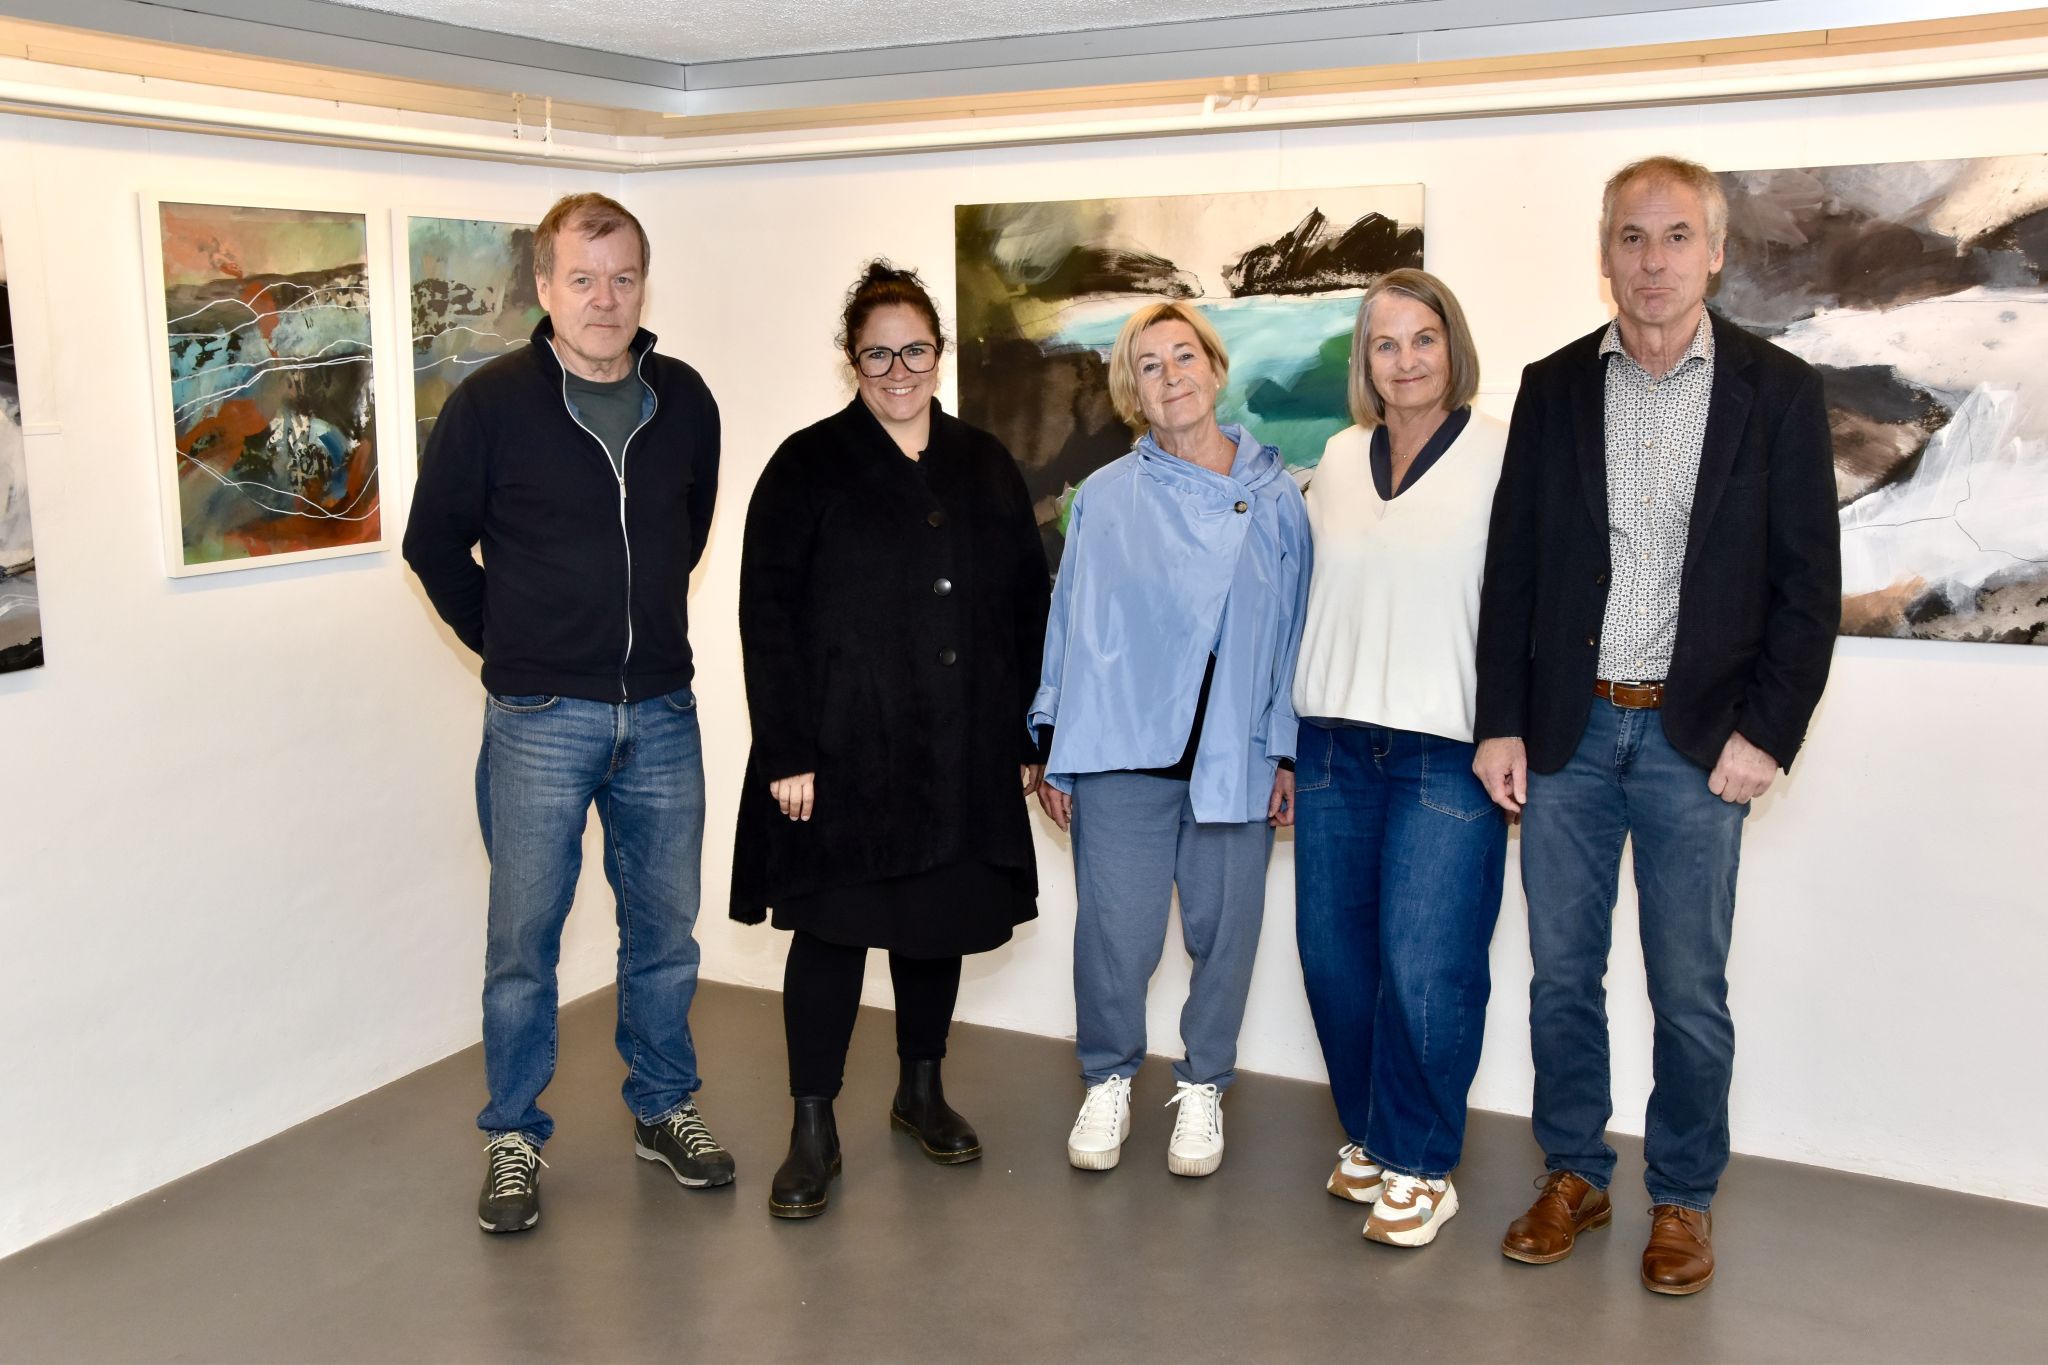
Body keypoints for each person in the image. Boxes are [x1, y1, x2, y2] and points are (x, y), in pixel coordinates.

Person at [1472, 156, 1840, 1294]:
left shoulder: (1775, 393)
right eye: (1632, 239)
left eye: (1676, 237)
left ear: (1714, 253)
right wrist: (1498, 722)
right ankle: (1573, 1173)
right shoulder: (1549, 390)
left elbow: (1805, 589)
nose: (1652, 261)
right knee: (1559, 978)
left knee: (1688, 989)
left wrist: (1765, 736)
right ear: (1604, 254)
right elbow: (1514, 577)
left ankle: (1680, 1199)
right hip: (1568, 738)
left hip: (1695, 747)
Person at [403, 192, 732, 1234]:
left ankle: (662, 1109)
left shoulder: (683, 398)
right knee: (523, 942)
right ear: (543, 289)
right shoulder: (490, 403)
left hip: (663, 712)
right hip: (540, 717)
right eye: (582, 278)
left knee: (666, 934)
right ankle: (511, 1132)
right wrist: (513, 653)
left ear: (644, 285)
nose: (604, 298)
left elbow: (689, 526)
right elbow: (432, 546)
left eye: (623, 276)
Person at [732, 261, 1051, 1220]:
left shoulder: (984, 462)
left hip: (959, 751)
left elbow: (1026, 604)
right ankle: (812, 1126)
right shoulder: (806, 463)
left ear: (939, 354)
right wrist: (787, 749)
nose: (898, 369)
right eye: (878, 353)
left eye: (915, 349)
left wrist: (1033, 730)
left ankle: (920, 1089)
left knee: (935, 924)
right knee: (829, 934)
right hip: (840, 753)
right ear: (851, 360)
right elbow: (766, 614)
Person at [1032, 301, 1311, 1179]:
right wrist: (1053, 737)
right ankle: (1109, 1076)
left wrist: (1289, 748)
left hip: (1235, 746)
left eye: (1183, 356)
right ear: (1133, 393)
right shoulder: (1107, 497)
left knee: (1227, 931)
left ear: (1214, 368)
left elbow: (1298, 636)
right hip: (1121, 742)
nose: (1171, 376)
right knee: (1114, 932)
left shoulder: (1277, 498)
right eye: (1148, 366)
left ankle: (1204, 1086)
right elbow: (1068, 623)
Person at [1291, 269, 1509, 1248]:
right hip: (1331, 742)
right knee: (1334, 963)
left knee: (1425, 963)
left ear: (1449, 347)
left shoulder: (1502, 455)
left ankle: (1422, 1159)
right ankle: (1375, 1136)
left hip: (1446, 752)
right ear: (1364, 362)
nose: (1405, 359)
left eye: (1422, 338)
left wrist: (1514, 729)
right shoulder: (1336, 460)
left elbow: (1529, 607)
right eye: (1384, 343)